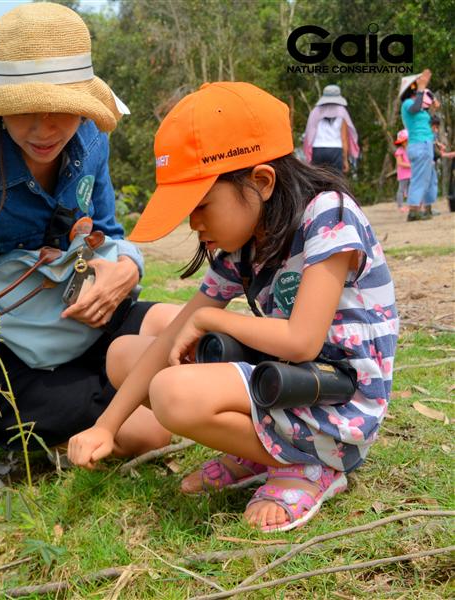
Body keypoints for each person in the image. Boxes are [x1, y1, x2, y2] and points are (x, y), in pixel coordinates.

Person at [68, 82, 397, 533]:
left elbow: (303, 341)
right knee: (124, 355)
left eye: (201, 205)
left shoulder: (328, 215)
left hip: (338, 405)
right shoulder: (241, 248)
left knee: (172, 393)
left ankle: (307, 466)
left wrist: (210, 318)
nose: (194, 223)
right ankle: (262, 450)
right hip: (284, 381)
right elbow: (171, 337)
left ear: (261, 182)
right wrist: (105, 427)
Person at [0, 3, 172, 506]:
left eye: (60, 107)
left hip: (69, 313)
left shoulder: (91, 138)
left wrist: (127, 269)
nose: (44, 129)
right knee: (152, 431)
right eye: (25, 110)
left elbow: (108, 233)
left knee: (176, 327)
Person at [400, 69, 440, 221]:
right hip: (419, 145)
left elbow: (428, 119)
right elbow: (415, 107)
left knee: (430, 177)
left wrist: (433, 106)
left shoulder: (420, 108)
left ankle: (427, 208)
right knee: (419, 178)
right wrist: (421, 87)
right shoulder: (407, 103)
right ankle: (413, 211)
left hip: (425, 144)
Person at [303, 84, 360, 175]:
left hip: (318, 149)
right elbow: (344, 139)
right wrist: (345, 160)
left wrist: (309, 155)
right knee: (336, 179)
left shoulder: (316, 111)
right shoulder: (342, 111)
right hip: (335, 150)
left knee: (318, 179)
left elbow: (309, 134)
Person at [393, 129, 411, 212]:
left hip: (411, 173)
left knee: (410, 190)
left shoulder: (410, 150)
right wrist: (411, 165)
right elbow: (399, 163)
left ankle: (409, 205)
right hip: (403, 174)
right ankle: (400, 206)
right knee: (401, 190)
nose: (405, 142)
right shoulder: (399, 151)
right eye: (403, 141)